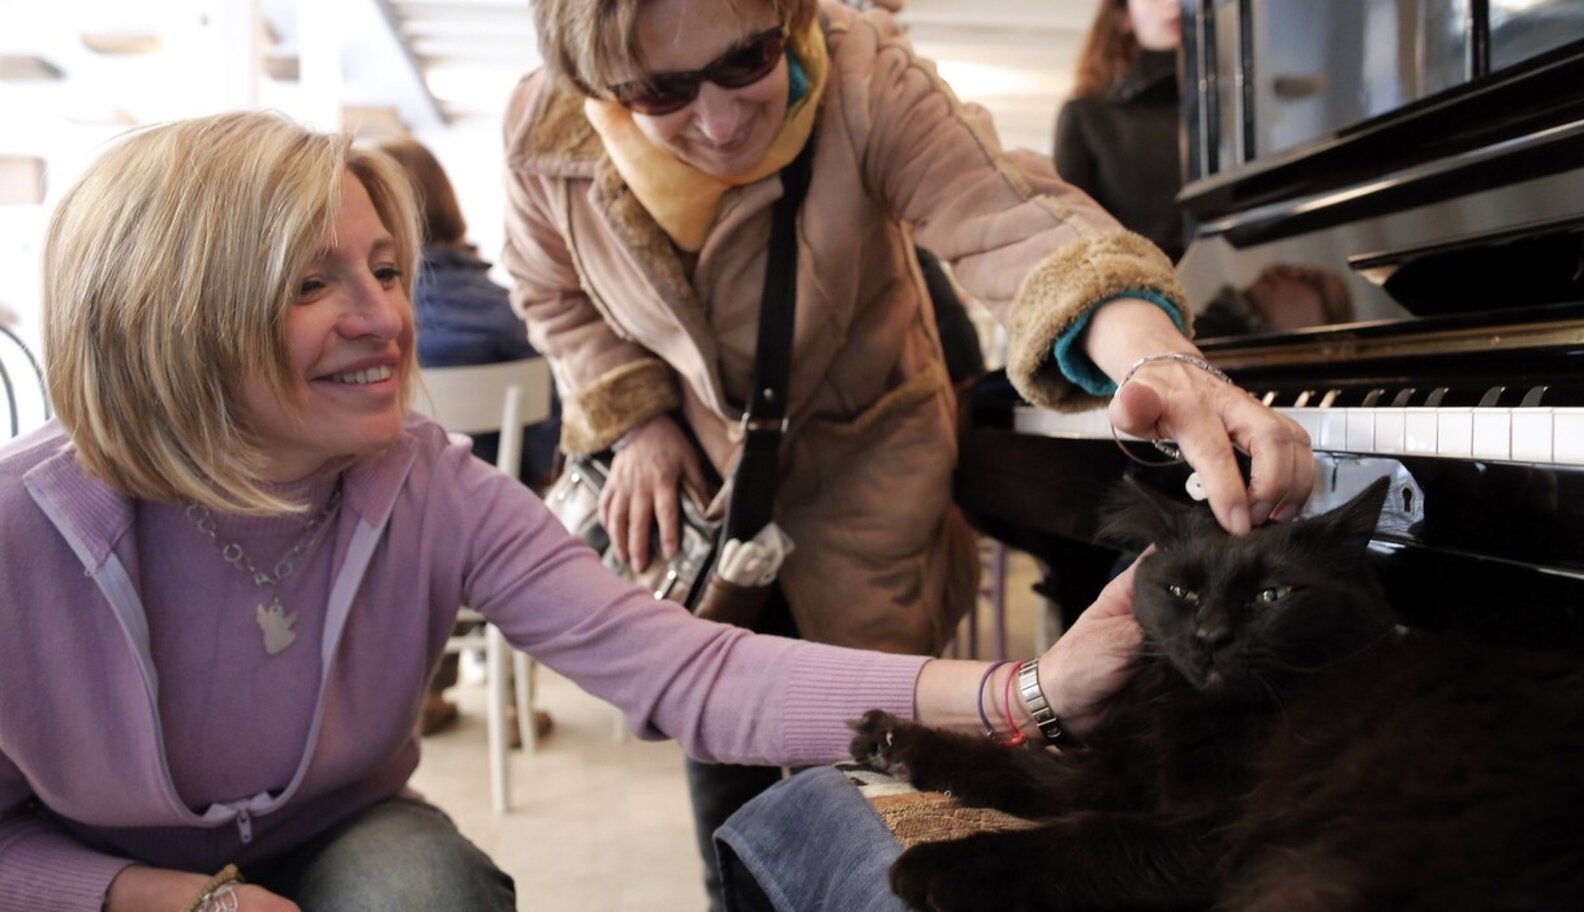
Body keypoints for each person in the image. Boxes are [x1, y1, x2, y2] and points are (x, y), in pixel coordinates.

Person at [0, 110, 1145, 912]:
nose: (379, 319)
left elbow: (690, 671)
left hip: (335, 833)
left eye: (385, 269)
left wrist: (1027, 694)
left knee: (425, 891)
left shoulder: (433, 485)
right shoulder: (22, 528)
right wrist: (147, 898)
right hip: (68, 867)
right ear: (169, 317)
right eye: (311, 283)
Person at [509, 0, 1313, 904]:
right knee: (723, 768)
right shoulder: (542, 138)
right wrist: (637, 417)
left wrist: (1161, 360)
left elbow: (1018, 224)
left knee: (881, 776)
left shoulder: (866, 76)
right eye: (662, 90)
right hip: (702, 493)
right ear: (597, 88)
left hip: (867, 474)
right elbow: (551, 294)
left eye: (748, 58)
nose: (723, 118)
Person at [374, 136, 558, 741]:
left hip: (385, 533)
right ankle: (511, 706)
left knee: (412, 515)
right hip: (498, 532)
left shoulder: (365, 325)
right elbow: (548, 437)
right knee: (504, 504)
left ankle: (421, 696)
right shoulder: (509, 310)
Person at [1054, 0, 1187, 261]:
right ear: (1123, 16)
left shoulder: (1237, 111)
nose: (1176, 2)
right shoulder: (1088, 115)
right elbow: (1072, 238)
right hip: (1137, 290)